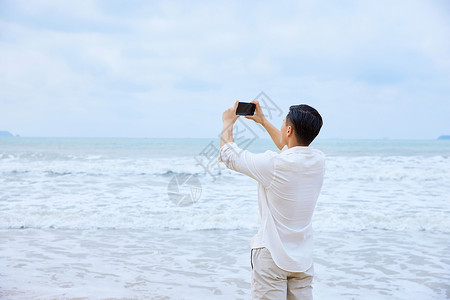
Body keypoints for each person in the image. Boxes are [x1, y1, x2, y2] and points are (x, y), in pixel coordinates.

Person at [218, 101, 325, 300]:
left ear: (289, 130)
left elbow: (229, 155)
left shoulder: (274, 165)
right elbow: (290, 147)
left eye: (283, 123)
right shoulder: (318, 161)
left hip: (272, 257)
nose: (282, 126)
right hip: (302, 260)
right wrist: (262, 121)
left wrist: (228, 123)